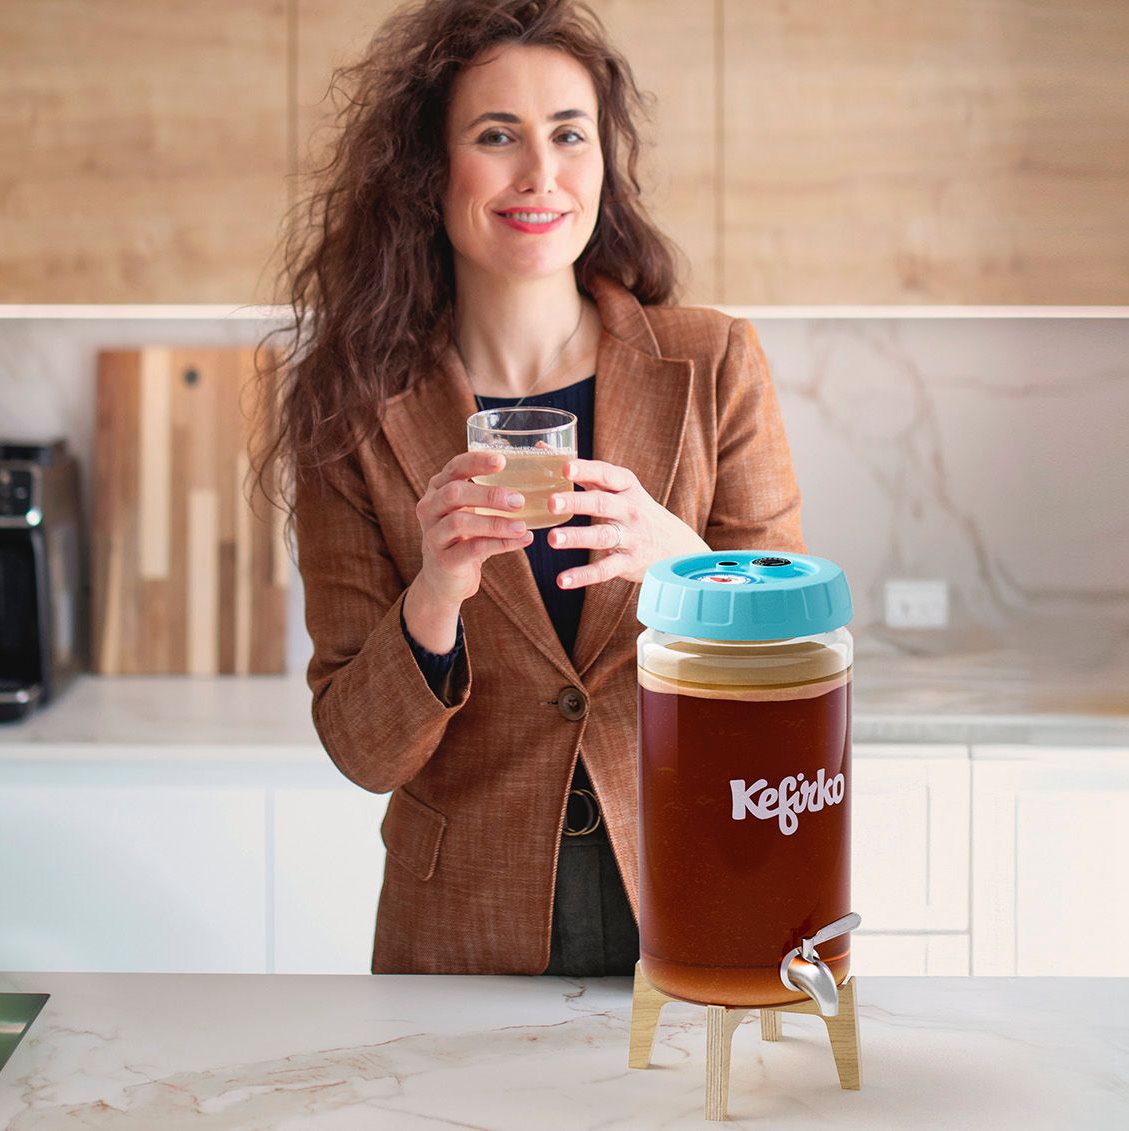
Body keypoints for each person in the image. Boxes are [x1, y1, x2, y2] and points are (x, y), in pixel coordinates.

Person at [256, 0, 805, 976]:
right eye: (496, 135)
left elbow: (795, 670)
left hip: (695, 894)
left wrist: (688, 564)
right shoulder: (353, 410)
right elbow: (360, 750)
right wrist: (434, 595)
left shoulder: (712, 361)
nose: (539, 174)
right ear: (430, 171)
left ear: (604, 162)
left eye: (568, 134)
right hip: (460, 925)